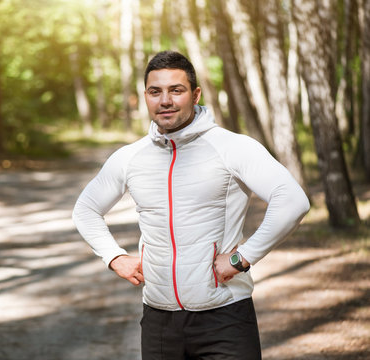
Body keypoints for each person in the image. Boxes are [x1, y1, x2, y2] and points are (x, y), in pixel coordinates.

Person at [72, 50, 309, 360]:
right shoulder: (131, 157)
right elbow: (86, 209)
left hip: (224, 318)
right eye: (155, 91)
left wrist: (242, 257)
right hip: (158, 321)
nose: (165, 100)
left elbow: (292, 200)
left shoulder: (231, 146)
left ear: (195, 94)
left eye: (176, 90)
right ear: (145, 96)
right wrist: (114, 256)